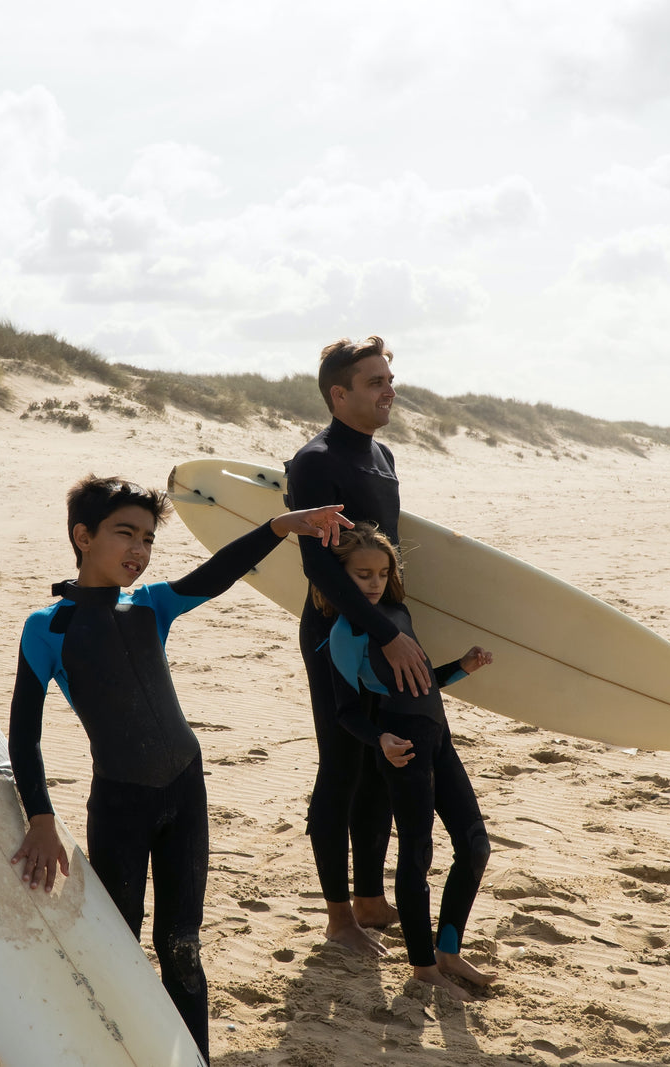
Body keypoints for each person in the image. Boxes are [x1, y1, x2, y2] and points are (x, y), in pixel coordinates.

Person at [7, 475, 350, 1059]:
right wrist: (39, 816)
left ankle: (194, 1056)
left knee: (183, 944)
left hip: (185, 792)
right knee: (117, 944)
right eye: (125, 534)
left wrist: (279, 527)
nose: (139, 551)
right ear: (83, 536)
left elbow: (216, 574)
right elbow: (23, 733)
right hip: (121, 805)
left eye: (147, 539)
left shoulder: (151, 605)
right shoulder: (49, 628)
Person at [285, 334, 433, 954]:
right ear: (337, 394)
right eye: (374, 382)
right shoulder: (316, 462)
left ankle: (371, 900)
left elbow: (384, 554)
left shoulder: (384, 455)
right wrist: (384, 636)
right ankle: (339, 915)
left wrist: (399, 628)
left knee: (381, 762)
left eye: (389, 380)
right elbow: (320, 570)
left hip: (388, 627)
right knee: (342, 765)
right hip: (337, 634)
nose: (388, 390)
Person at [319, 523, 495, 999]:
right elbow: (346, 711)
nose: (374, 582)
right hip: (405, 750)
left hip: (440, 739)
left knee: (475, 846)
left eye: (381, 572)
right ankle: (423, 968)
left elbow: (419, 680)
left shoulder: (398, 611)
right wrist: (381, 741)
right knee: (418, 855)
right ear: (340, 578)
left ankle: (448, 950)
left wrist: (461, 667)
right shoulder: (344, 631)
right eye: (362, 575)